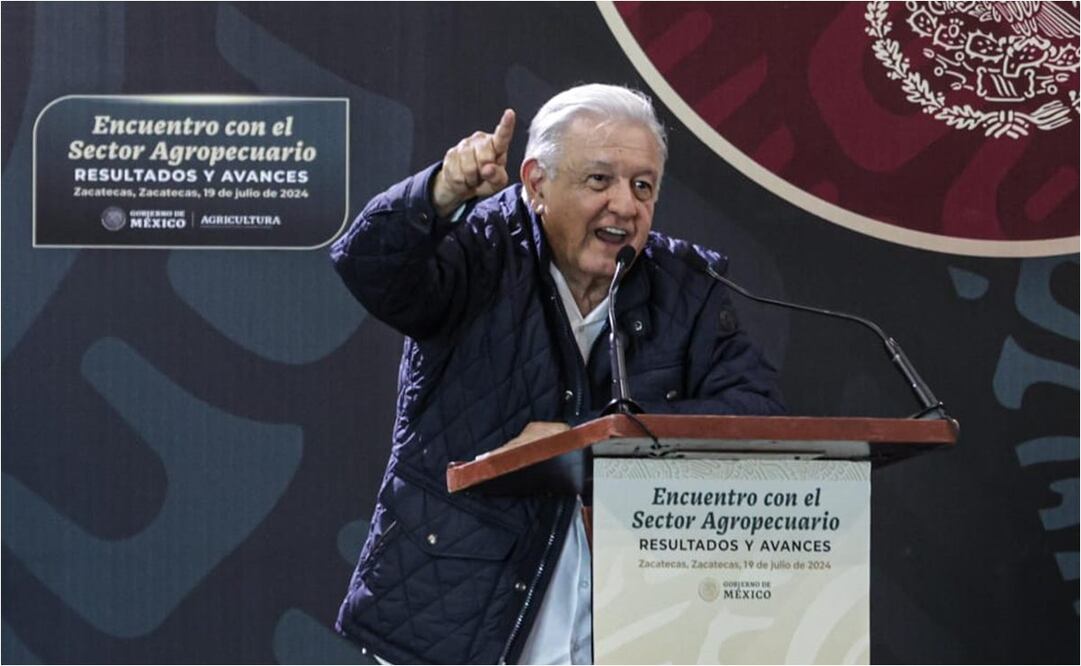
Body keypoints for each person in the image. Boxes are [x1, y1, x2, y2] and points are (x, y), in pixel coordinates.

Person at [331, 83, 784, 665]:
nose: (625, 205)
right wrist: (440, 193)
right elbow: (369, 267)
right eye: (600, 180)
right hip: (455, 621)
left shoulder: (687, 286)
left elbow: (757, 416)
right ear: (537, 184)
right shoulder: (479, 249)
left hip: (629, 625)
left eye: (643, 186)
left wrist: (587, 443)